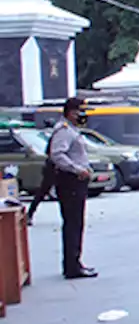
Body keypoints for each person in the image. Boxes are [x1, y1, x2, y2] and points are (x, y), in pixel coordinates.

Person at [47, 97, 96, 279]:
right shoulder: (64, 131)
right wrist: (77, 170)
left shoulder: (73, 130)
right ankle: (72, 267)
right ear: (71, 112)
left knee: (76, 223)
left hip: (75, 181)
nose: (83, 115)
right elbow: (57, 155)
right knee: (73, 224)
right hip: (70, 181)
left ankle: (75, 262)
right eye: (80, 111)